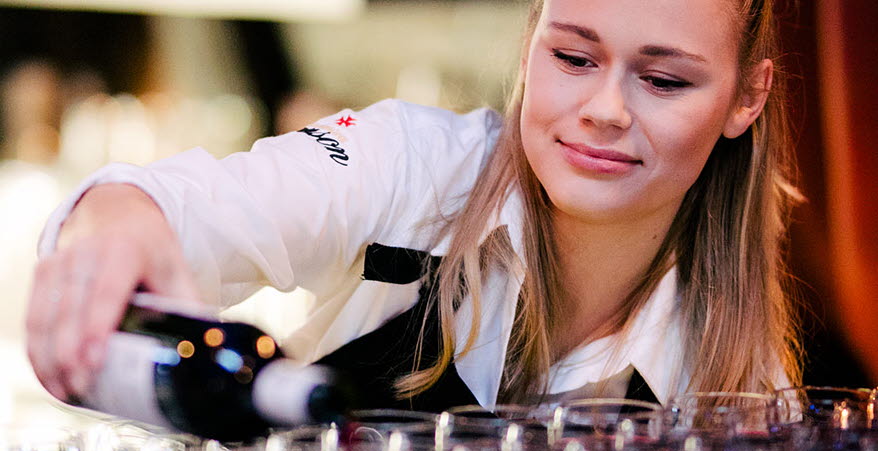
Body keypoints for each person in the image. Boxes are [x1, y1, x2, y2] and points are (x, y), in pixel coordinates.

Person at [26, 0, 803, 414]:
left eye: (665, 81)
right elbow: (202, 206)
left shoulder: (744, 382)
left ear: (747, 96)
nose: (604, 108)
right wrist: (120, 217)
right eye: (572, 57)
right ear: (531, 38)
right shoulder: (413, 165)